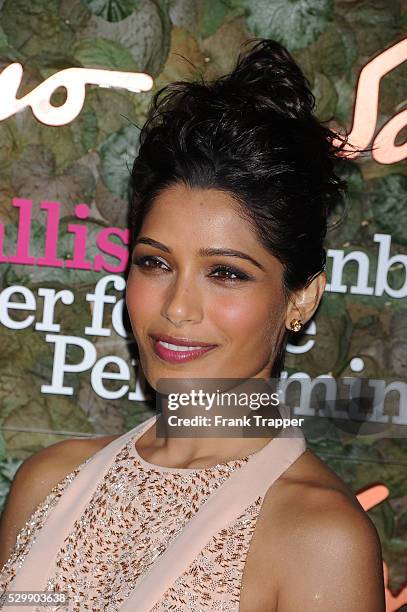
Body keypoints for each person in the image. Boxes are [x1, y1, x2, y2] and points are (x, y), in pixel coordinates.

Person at [0, 38, 385, 611]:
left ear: (301, 297)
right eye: (155, 263)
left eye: (226, 274)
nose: (178, 309)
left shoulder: (318, 536)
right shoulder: (45, 482)